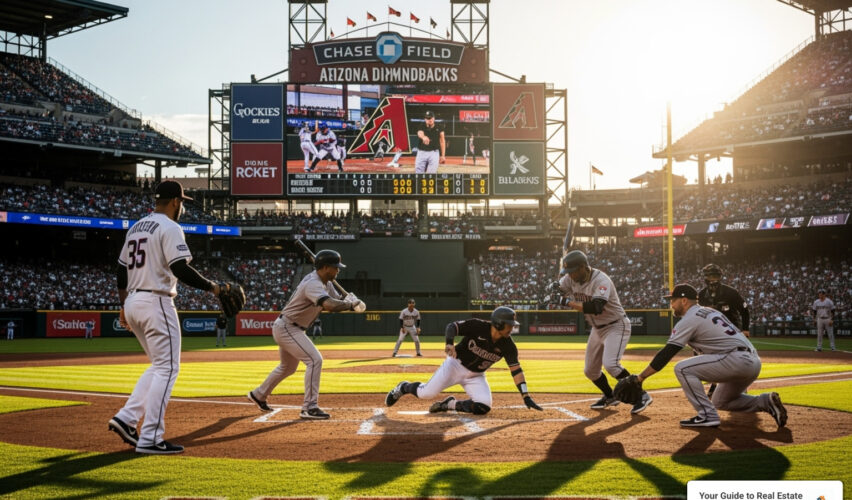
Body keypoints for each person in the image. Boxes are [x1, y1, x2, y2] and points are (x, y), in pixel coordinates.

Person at [109, 180, 227, 454]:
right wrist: (214, 287)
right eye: (182, 201)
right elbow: (180, 268)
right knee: (168, 368)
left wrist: (124, 304)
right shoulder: (170, 227)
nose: (182, 206)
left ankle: (126, 418)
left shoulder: (137, 226)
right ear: (175, 202)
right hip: (156, 299)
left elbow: (121, 270)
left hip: (135, 300)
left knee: (158, 366)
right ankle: (151, 438)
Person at [631, 284, 787, 428]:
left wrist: (640, 378)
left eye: (673, 300)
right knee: (720, 401)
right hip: (752, 361)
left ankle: (707, 415)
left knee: (682, 369)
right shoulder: (711, 311)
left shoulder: (690, 319)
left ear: (684, 301)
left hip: (735, 360)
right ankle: (765, 401)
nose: (671, 304)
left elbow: (667, 353)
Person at [248, 249, 365, 420]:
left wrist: (348, 300)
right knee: (314, 360)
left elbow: (336, 300)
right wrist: (350, 305)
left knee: (287, 367)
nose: (338, 270)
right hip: (288, 327)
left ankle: (259, 394)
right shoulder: (313, 284)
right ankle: (309, 407)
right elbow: (329, 305)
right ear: (325, 268)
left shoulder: (326, 282)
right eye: (335, 267)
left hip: (291, 327)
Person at [385, 306, 542, 415]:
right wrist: (449, 343)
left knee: (483, 406)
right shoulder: (478, 326)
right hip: (454, 366)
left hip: (476, 376)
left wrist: (525, 396)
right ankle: (403, 387)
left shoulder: (508, 345)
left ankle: (449, 404)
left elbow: (516, 371)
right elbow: (452, 327)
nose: (512, 328)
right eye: (509, 325)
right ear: (499, 323)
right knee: (426, 393)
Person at [550, 250, 652, 413]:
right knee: (590, 370)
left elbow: (596, 307)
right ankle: (610, 395)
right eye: (568, 272)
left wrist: (566, 302)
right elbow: (558, 289)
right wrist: (554, 289)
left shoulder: (601, 280)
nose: (570, 276)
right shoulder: (570, 278)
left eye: (573, 271)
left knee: (611, 364)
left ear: (583, 267)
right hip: (597, 329)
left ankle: (641, 396)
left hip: (616, 325)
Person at [698, 264, 750, 336]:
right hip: (710, 332)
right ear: (705, 277)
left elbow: (744, 310)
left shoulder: (731, 292)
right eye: (710, 276)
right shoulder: (701, 294)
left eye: (715, 276)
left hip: (732, 331)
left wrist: (745, 329)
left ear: (720, 277)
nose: (713, 279)